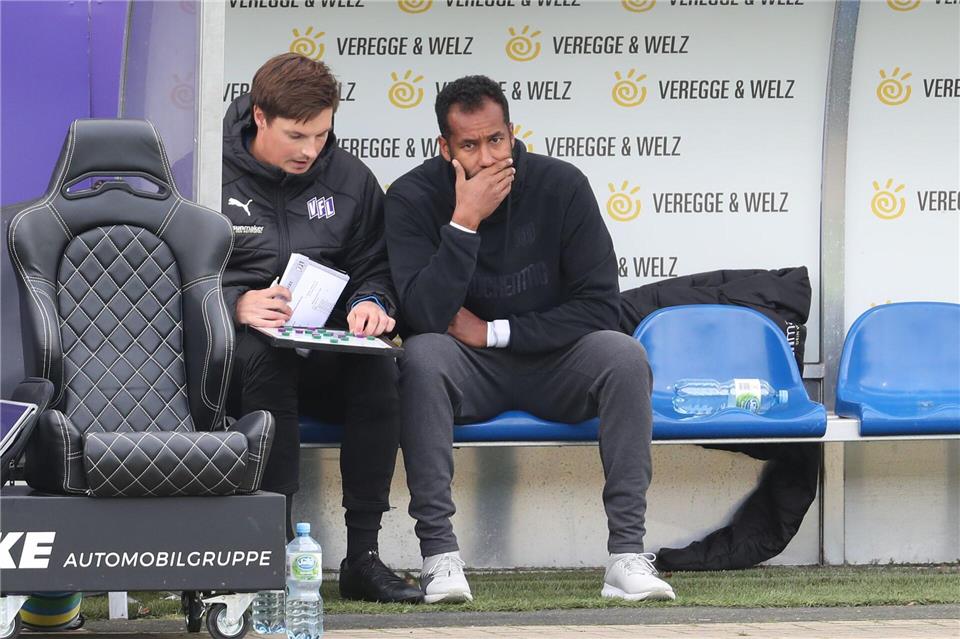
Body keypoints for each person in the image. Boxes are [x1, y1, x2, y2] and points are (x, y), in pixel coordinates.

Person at [384, 75, 676, 604]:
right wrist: (465, 220)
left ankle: (627, 556)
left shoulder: (560, 185)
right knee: (422, 357)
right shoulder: (412, 196)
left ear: (512, 133)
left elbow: (601, 305)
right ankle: (440, 558)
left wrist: (495, 331)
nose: (489, 156)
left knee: (624, 355)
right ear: (444, 147)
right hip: (467, 369)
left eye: (496, 139)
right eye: (469, 145)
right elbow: (422, 317)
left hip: (553, 363)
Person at [221, 52, 421, 604]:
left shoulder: (351, 177)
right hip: (237, 353)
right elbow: (168, 275)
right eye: (297, 135)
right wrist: (234, 302)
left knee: (378, 366)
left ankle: (363, 556)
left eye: (322, 133)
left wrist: (373, 302)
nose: (311, 149)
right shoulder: (202, 171)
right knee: (266, 361)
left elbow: (375, 264)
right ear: (259, 117)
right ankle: (275, 551)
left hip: (323, 343)